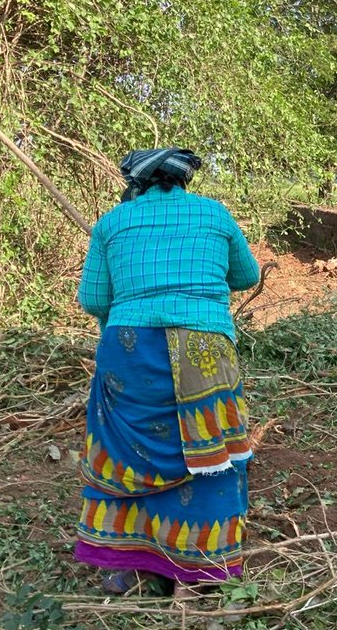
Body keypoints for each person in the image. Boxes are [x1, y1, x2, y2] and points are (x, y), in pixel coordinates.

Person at [75, 147, 261, 596]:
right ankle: (195, 575)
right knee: (206, 456)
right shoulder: (214, 215)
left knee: (128, 455)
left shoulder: (112, 222)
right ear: (183, 181)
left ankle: (132, 568)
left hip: (129, 351)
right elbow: (248, 274)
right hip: (204, 348)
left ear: (136, 183)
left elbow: (93, 300)